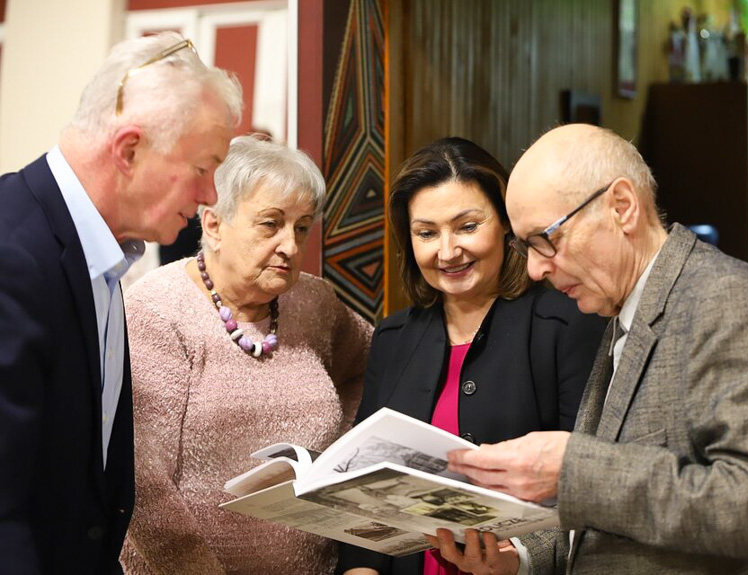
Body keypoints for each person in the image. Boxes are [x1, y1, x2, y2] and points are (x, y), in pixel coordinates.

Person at [432, 124, 748, 574]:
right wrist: (519, 559)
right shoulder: (621, 311)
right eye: (525, 248)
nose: (536, 269)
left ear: (621, 207)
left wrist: (572, 470)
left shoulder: (725, 299)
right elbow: (607, 528)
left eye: (546, 240)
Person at [0, 32, 241, 574]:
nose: (210, 196)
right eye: (203, 168)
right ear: (129, 150)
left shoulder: (101, 255)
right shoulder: (12, 257)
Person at [336, 137, 606, 575]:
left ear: (504, 222)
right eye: (426, 233)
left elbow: (590, 485)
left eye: (466, 226)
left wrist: (518, 558)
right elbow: (364, 489)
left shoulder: (567, 323)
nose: (447, 251)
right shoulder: (392, 337)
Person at [119, 135, 373, 574]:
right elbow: (141, 482)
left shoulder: (314, 302)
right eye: (270, 224)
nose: (291, 246)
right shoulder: (156, 311)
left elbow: (375, 367)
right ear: (214, 224)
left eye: (301, 226)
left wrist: (343, 453)